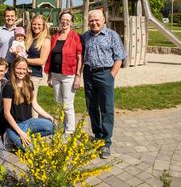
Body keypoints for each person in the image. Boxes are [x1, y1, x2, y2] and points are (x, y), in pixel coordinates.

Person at [81, 9, 126, 159]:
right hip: (88, 74)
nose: (94, 23)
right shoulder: (85, 37)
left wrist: (111, 75)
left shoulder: (112, 35)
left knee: (106, 108)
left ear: (103, 20)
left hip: (105, 73)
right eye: (91, 20)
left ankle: (106, 142)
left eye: (97, 20)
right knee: (92, 107)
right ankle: (98, 136)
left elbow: (119, 57)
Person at [2, 57, 54, 150]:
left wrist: (49, 116)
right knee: (32, 152)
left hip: (28, 122)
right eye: (18, 68)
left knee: (52, 127)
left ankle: (26, 137)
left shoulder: (29, 83)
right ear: (13, 68)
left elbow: (35, 104)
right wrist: (21, 133)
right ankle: (10, 138)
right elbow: (6, 113)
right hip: (14, 126)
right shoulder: (9, 87)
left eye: (23, 69)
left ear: (27, 69)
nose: (21, 71)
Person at [44, 10, 82, 135]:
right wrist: (49, 75)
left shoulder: (75, 36)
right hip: (55, 75)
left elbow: (79, 56)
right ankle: (59, 128)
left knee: (67, 104)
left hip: (68, 75)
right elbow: (50, 56)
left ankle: (69, 131)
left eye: (68, 20)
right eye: (63, 19)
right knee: (58, 102)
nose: (65, 22)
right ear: (60, 21)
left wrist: (78, 76)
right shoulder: (55, 36)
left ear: (71, 22)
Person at [25, 14, 51, 118]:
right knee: (24, 100)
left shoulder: (45, 40)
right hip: (23, 73)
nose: (36, 26)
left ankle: (34, 123)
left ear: (44, 26)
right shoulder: (29, 38)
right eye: (34, 24)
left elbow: (41, 61)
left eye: (39, 24)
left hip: (34, 75)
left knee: (32, 101)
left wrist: (24, 61)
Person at [0, 7, 17, 72]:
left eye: (12, 16)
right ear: (4, 17)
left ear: (16, 17)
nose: (10, 18)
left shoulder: (20, 32)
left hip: (14, 67)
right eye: (7, 16)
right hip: (0, 67)